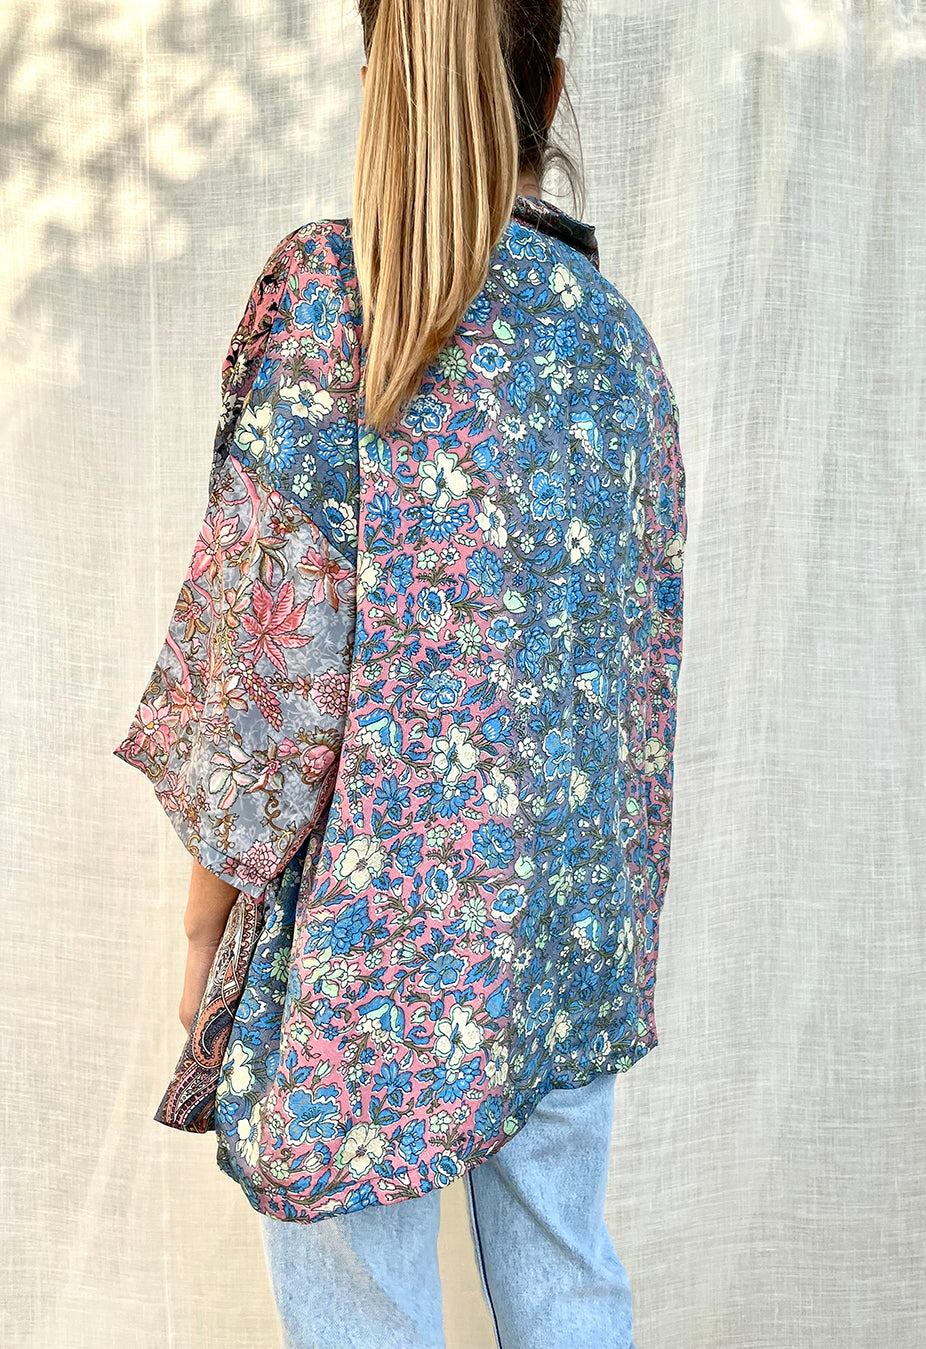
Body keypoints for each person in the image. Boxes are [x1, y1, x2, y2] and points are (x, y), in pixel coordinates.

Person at [112, 0, 686, 1344]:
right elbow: (636, 682)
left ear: (382, 80)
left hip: (370, 955)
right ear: (550, 95)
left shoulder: (338, 299)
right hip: (563, 932)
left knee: (366, 1318)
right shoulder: (615, 344)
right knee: (569, 1276)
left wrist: (204, 927)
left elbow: (262, 672)